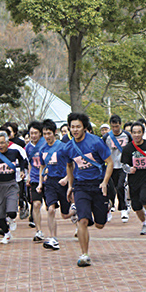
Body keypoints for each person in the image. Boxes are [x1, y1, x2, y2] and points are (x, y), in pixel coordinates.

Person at [65, 113, 113, 267]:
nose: (75, 130)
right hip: (81, 187)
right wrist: (70, 186)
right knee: (83, 220)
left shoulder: (96, 142)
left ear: (84, 127)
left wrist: (105, 182)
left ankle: (106, 205)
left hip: (98, 185)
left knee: (100, 224)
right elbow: (69, 165)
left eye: (78, 126)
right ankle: (84, 254)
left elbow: (109, 163)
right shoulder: (69, 147)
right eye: (72, 127)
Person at [36, 119, 74, 250]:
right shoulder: (42, 149)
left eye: (49, 133)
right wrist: (41, 183)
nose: (47, 136)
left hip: (62, 182)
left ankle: (75, 211)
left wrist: (66, 179)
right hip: (50, 182)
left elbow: (71, 165)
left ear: (55, 133)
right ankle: (53, 238)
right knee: (50, 209)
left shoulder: (63, 147)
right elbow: (41, 166)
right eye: (44, 134)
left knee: (65, 214)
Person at [0, 131, 27, 244]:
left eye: (2, 143)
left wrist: (23, 171)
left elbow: (23, 161)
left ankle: (11, 218)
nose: (0, 145)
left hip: (11, 184)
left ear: (7, 143)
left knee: (12, 211)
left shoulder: (14, 152)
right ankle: (6, 233)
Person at [102, 115, 132, 222]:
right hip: (110, 167)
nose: (115, 128)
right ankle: (108, 210)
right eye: (113, 126)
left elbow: (132, 147)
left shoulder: (126, 135)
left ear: (120, 124)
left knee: (120, 186)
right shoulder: (106, 137)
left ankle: (123, 208)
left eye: (117, 126)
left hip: (122, 166)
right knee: (110, 189)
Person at [25, 121, 46, 242]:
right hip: (34, 178)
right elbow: (30, 162)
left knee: (52, 207)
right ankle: (39, 231)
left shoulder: (46, 144)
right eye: (31, 133)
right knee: (36, 204)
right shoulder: (28, 147)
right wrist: (28, 176)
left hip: (47, 178)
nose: (33, 135)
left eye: (35, 133)